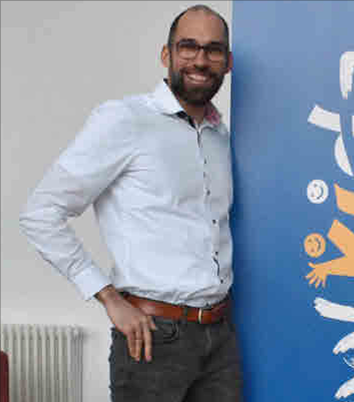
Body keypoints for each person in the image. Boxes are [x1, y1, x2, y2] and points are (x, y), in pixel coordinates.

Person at [19, 5, 241, 401]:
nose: (200, 60)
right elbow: (41, 213)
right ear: (166, 54)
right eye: (188, 46)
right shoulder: (124, 120)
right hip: (153, 337)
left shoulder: (221, 137)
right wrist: (107, 296)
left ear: (227, 63)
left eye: (213, 50)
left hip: (220, 336)